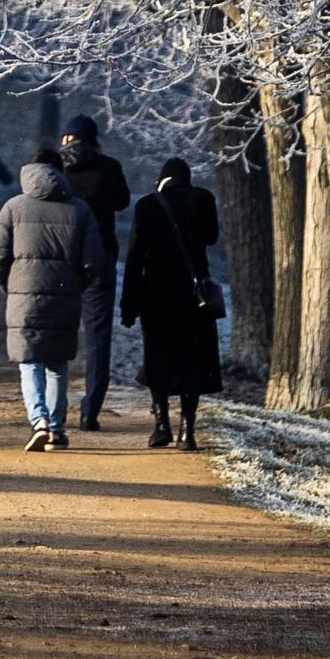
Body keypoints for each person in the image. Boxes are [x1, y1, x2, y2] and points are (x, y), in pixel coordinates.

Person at [0, 155, 104, 449]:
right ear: (61, 173)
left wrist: (9, 285)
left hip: (23, 295)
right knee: (57, 364)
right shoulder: (80, 210)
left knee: (29, 362)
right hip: (65, 294)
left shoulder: (13, 207)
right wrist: (76, 285)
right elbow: (93, 260)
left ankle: (39, 420)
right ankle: (56, 429)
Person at [122, 154, 225, 449]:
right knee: (193, 360)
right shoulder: (203, 199)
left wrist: (128, 304)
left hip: (155, 295)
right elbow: (211, 237)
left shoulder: (147, 205)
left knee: (158, 358)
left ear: (162, 180)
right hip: (193, 295)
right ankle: (187, 431)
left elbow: (135, 256)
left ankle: (161, 426)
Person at [54, 115, 133, 429]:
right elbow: (122, 202)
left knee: (57, 332)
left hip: (62, 260)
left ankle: (55, 409)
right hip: (100, 257)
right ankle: (90, 411)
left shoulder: (55, 168)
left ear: (66, 139)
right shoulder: (109, 167)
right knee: (98, 337)